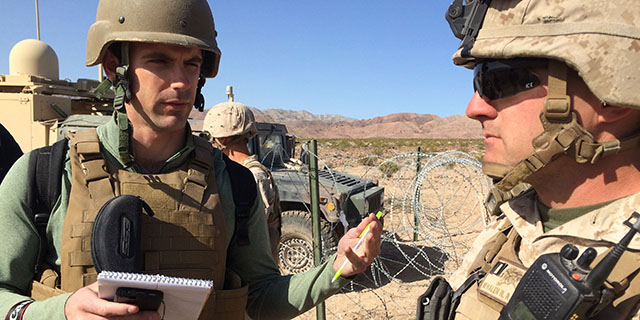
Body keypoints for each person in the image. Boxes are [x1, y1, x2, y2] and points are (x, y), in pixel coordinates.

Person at [0, 1, 382, 319]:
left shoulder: (235, 184)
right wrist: (58, 311)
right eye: (160, 61)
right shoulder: (44, 176)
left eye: (192, 64)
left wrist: (337, 270)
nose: (182, 81)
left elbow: (262, 297)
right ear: (114, 65)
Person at [422, 0, 640, 318]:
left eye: (500, 81)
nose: (474, 108)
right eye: (478, 80)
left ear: (611, 97)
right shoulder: (511, 225)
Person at [203, 101, 282, 263]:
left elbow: (253, 230)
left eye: (212, 138)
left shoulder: (253, 175)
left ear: (222, 140)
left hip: (253, 275)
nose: (211, 143)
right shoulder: (237, 173)